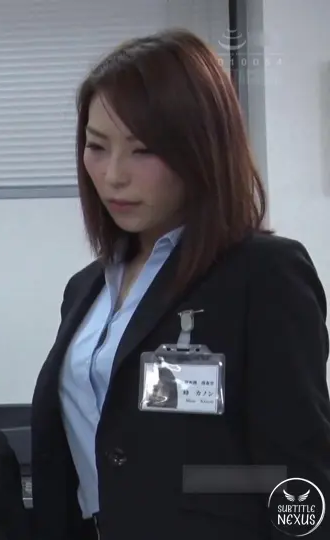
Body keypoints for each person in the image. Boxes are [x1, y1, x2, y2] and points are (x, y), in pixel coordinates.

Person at [29, 29, 330, 540]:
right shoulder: (86, 290)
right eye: (97, 146)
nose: (114, 175)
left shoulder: (263, 274)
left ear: (201, 150)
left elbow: (297, 471)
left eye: (143, 151)